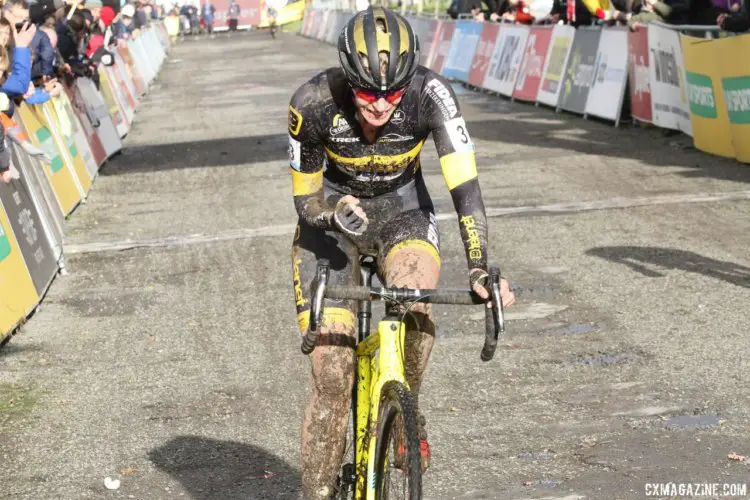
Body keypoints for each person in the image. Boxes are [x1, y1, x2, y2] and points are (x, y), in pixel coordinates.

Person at [288, 6, 515, 499]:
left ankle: (405, 409)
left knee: (418, 300)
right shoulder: (312, 102)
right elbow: (304, 199)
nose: (380, 104)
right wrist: (330, 213)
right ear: (349, 78)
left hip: (404, 214)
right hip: (332, 226)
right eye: (368, 92)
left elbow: (466, 188)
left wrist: (479, 265)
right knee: (332, 374)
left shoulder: (432, 96)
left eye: (392, 93)